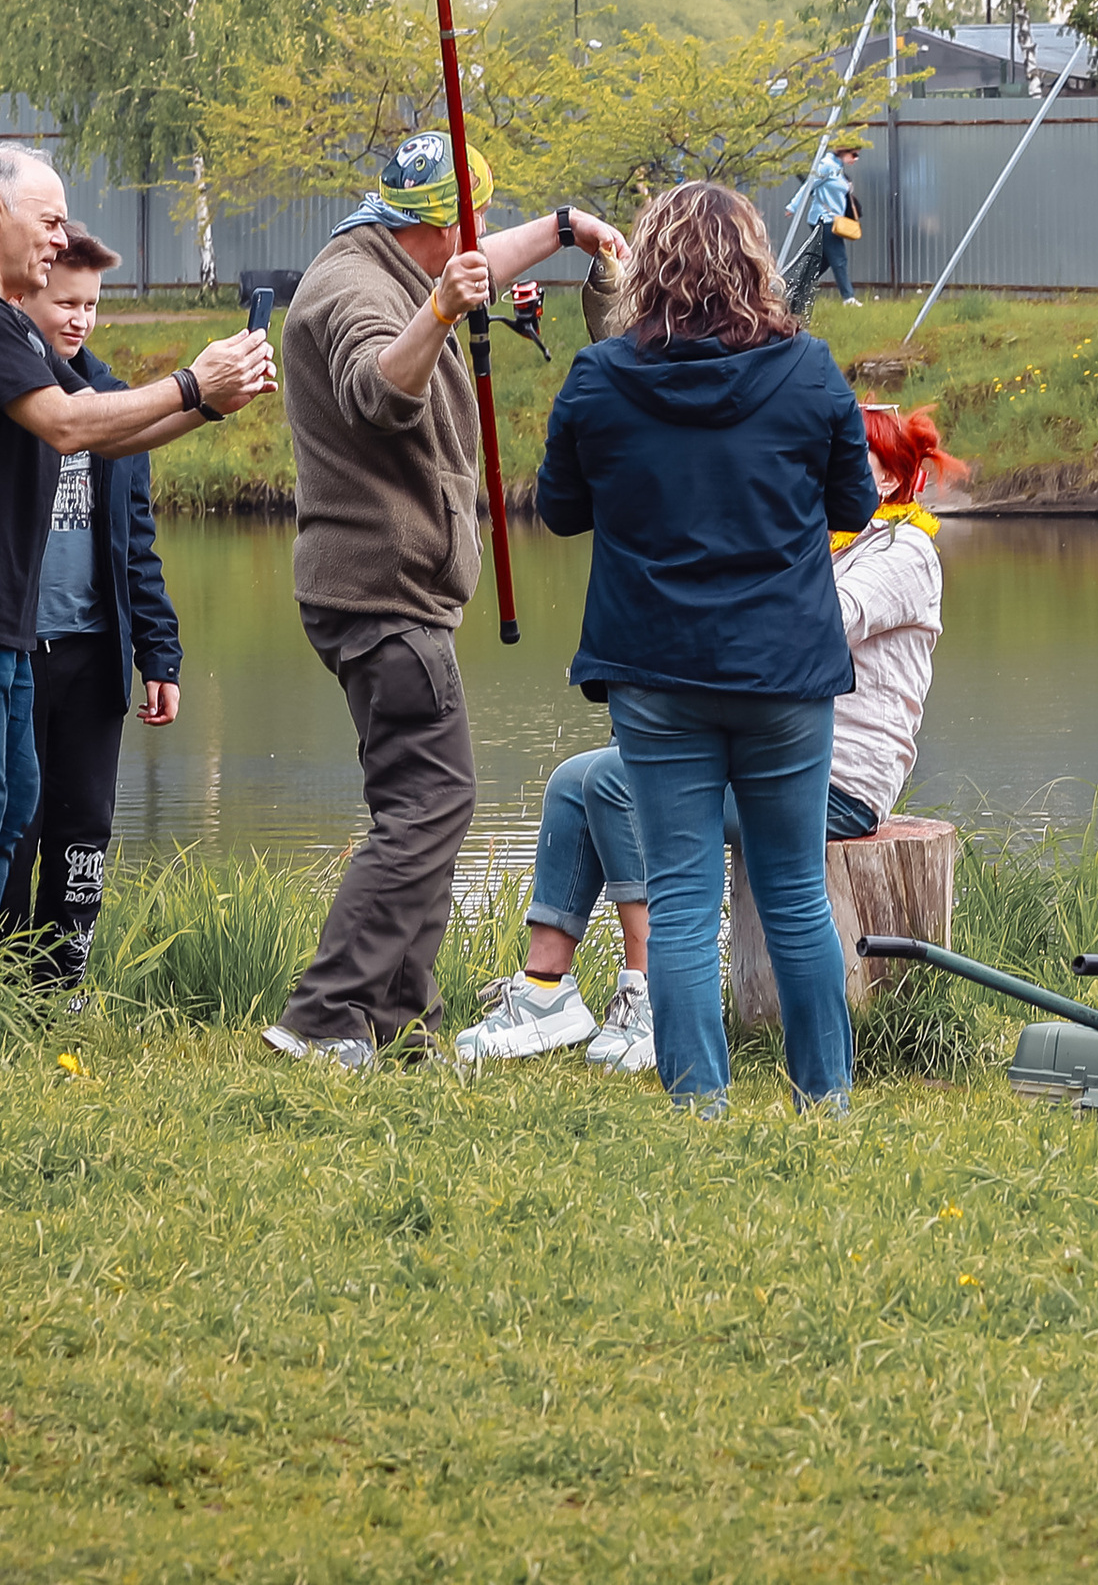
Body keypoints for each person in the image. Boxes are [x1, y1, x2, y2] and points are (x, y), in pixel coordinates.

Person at [262, 133, 625, 1069]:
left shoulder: (388, 252)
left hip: (385, 589)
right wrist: (438, 313)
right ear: (426, 226)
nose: (478, 238)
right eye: (466, 223)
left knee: (424, 805)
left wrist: (564, 230)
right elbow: (377, 391)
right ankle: (324, 1015)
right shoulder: (355, 291)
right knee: (431, 804)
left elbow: (471, 267)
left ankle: (398, 1022)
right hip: (382, 591)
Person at [458, 401, 963, 1073]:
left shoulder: (903, 551)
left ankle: (651, 1000)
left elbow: (815, 630)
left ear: (890, 480)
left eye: (846, 458)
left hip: (835, 781)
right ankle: (546, 991)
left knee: (617, 781)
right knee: (576, 781)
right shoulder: (818, 541)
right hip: (758, 754)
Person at [533, 180, 878, 1115]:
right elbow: (856, 505)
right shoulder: (808, 370)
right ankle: (825, 1106)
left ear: (647, 269)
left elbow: (558, 510)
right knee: (795, 892)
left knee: (683, 899)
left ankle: (700, 1111)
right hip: (785, 672)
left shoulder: (600, 379)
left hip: (656, 673)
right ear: (754, 265)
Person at [0, 145, 273, 921]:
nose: (62, 239)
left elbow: (101, 429)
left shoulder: (5, 324)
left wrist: (210, 404)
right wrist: (192, 380)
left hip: (2, 615)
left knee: (11, 804)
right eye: (50, 220)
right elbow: (65, 424)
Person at [1, 224, 183, 987]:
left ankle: (63, 988)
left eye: (92, 305)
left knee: (84, 834)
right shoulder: (2, 396)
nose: (80, 319)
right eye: (66, 303)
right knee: (14, 829)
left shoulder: (115, 403)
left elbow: (136, 543)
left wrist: (159, 654)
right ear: (27, 295)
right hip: (12, 655)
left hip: (92, 654)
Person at [785, 144, 864, 314]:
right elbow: (808, 186)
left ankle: (795, 288)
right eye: (853, 154)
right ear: (843, 152)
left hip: (832, 220)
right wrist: (793, 206)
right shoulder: (826, 166)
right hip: (824, 219)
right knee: (839, 258)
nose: (855, 159)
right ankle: (848, 298)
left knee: (824, 261)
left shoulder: (838, 169)